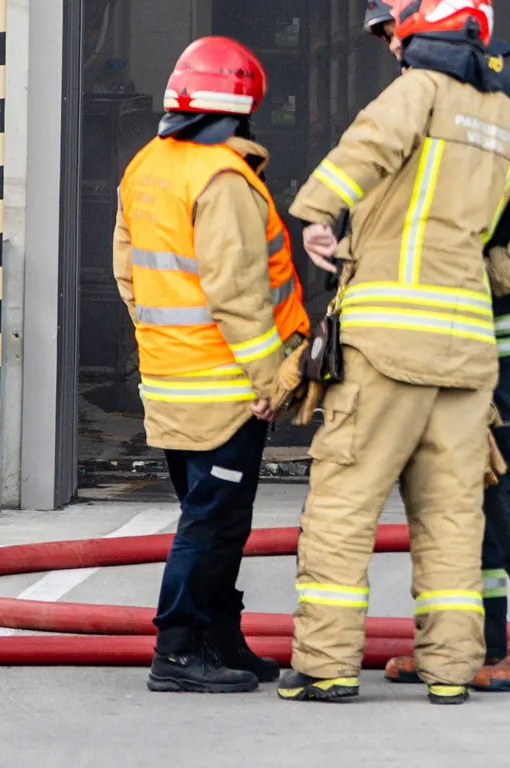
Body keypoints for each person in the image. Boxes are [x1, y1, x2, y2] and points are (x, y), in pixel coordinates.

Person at [281, 0, 510, 706]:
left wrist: (319, 211)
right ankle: (453, 666)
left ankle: (328, 665)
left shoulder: (417, 93)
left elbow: (367, 146)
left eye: (394, 29)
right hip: (468, 346)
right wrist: (492, 272)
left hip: (395, 341)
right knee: (456, 512)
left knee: (345, 503)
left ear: (424, 23)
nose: (389, 45)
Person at [365, 0, 510, 692]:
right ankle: (480, 641)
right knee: (465, 489)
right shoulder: (444, 103)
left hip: (508, 338)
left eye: (394, 33)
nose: (391, 50)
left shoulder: (494, 111)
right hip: (458, 334)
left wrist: (492, 277)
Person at [114, 36, 309, 693]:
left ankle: (220, 639)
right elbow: (237, 291)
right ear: (242, 109)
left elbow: (129, 272)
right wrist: (270, 382)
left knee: (219, 520)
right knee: (211, 522)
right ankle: (175, 650)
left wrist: (163, 344)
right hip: (227, 388)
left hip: (171, 380)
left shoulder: (148, 166)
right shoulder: (222, 180)